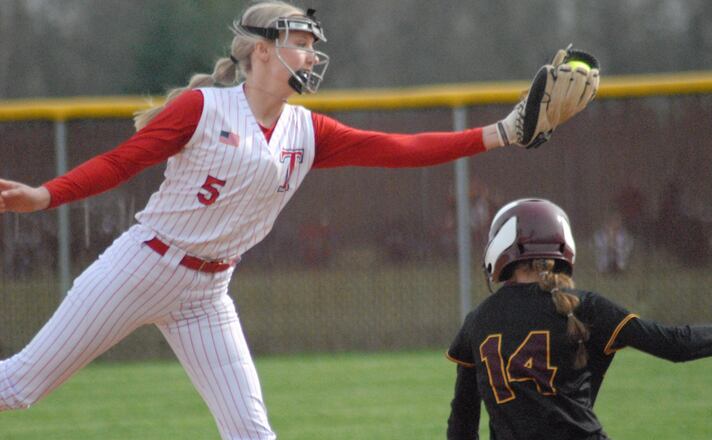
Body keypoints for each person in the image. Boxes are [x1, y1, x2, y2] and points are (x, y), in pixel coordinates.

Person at [0, 2, 599, 439]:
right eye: (301, 42)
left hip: (207, 293)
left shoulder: (306, 131)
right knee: (20, 387)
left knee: (252, 434)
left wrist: (501, 134)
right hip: (142, 265)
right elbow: (119, 161)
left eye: (313, 44)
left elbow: (401, 148)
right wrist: (44, 195)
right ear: (263, 51)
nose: (313, 55)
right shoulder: (201, 109)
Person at [445, 198, 712, 440]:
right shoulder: (585, 306)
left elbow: (462, 423)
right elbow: (676, 344)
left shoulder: (479, 321)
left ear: (503, 246)